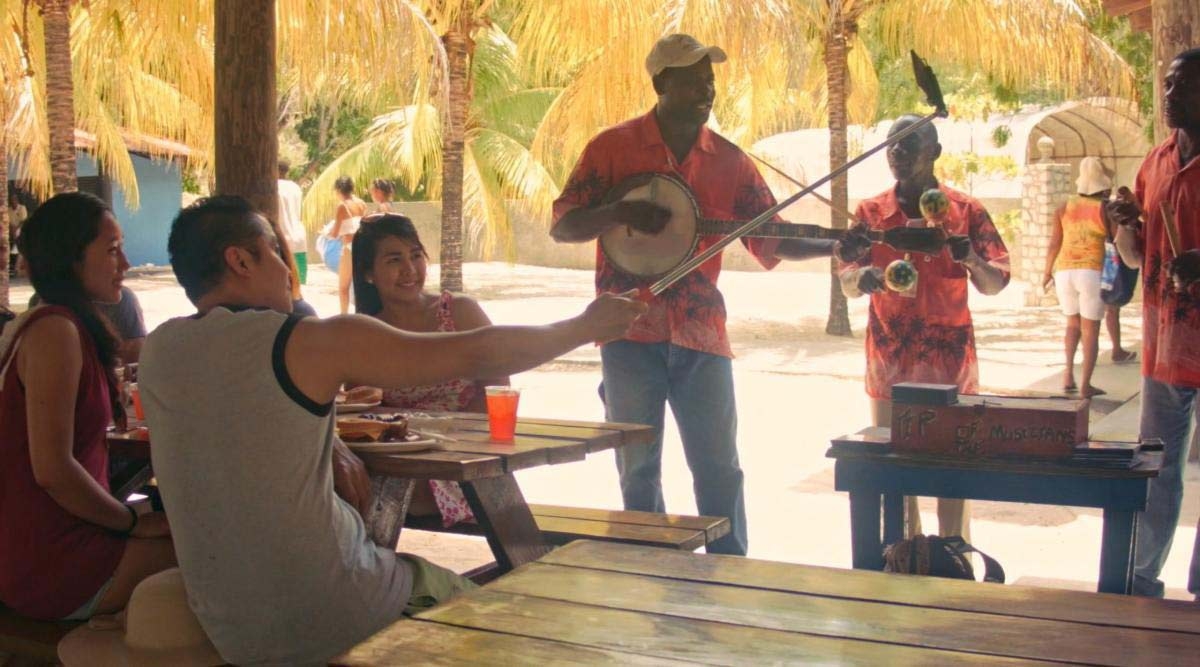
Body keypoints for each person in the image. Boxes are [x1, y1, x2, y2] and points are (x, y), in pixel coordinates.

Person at [139, 195, 645, 664]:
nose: (287, 269)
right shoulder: (308, 342)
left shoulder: (159, 353)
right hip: (338, 610)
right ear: (240, 261)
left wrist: (330, 440)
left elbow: (247, 417)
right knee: (515, 626)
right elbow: (476, 350)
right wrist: (584, 327)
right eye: (274, 251)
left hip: (234, 632)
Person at [551, 34, 866, 556]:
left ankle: (729, 573)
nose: (707, 90)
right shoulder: (612, 148)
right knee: (637, 466)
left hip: (702, 336)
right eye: (692, 80)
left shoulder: (729, 161)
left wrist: (836, 243)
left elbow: (771, 237)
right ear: (660, 84)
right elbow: (564, 225)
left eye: (710, 80)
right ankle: (647, 569)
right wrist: (622, 213)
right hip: (627, 331)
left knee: (719, 467)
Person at [0, 192, 175, 621]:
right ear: (71, 258)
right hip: (52, 562)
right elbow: (53, 470)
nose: (126, 264)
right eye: (112, 250)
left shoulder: (69, 325)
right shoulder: (54, 332)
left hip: (65, 540)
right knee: (227, 546)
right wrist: (131, 522)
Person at [839, 114, 1011, 541]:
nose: (897, 152)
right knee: (892, 472)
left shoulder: (965, 211)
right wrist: (866, 278)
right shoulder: (871, 213)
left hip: (949, 368)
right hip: (889, 365)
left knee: (952, 470)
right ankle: (903, 558)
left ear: (934, 151)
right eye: (891, 144)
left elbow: (996, 283)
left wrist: (970, 258)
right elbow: (846, 278)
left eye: (909, 143)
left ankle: (953, 554)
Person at [1108, 47, 1200, 599]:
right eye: (1166, 85)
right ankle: (1142, 578)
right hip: (1166, 347)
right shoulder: (1155, 161)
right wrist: (1123, 227)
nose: (1169, 96)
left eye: (1182, 86)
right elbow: (1138, 256)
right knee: (1156, 470)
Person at [351, 214, 502, 527]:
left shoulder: (459, 312)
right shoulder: (364, 332)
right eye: (394, 260)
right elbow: (360, 411)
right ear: (368, 273)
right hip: (399, 459)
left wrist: (455, 440)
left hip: (462, 456)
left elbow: (497, 384)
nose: (409, 269)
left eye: (416, 256)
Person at [1041, 156, 1110, 398]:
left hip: (1064, 271)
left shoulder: (1064, 206)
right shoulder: (1104, 208)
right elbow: (1113, 242)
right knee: (1090, 329)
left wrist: (1046, 272)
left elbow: (1054, 243)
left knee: (1072, 324)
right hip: (1091, 271)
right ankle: (1085, 386)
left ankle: (1068, 374)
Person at [29, 285, 147, 364]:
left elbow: (134, 359)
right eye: (112, 252)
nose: (125, 264)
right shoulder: (42, 303)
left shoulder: (121, 296)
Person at [325, 176, 368, 314]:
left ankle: (344, 316)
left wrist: (326, 232)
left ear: (338, 190)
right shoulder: (361, 204)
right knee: (360, 284)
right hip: (362, 246)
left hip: (349, 247)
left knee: (344, 287)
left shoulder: (342, 206)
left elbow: (334, 233)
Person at [277, 159, 309, 285]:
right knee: (297, 288)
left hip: (281, 241)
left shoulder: (271, 187)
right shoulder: (295, 188)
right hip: (299, 241)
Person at [8, 190, 27, 277]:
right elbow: (8, 222)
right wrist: (13, 229)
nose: (13, 201)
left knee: (18, 236)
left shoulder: (22, 208)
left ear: (17, 200)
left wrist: (16, 229)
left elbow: (23, 221)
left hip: (21, 229)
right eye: (12, 200)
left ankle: (16, 267)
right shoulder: (9, 210)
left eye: (15, 199)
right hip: (11, 230)